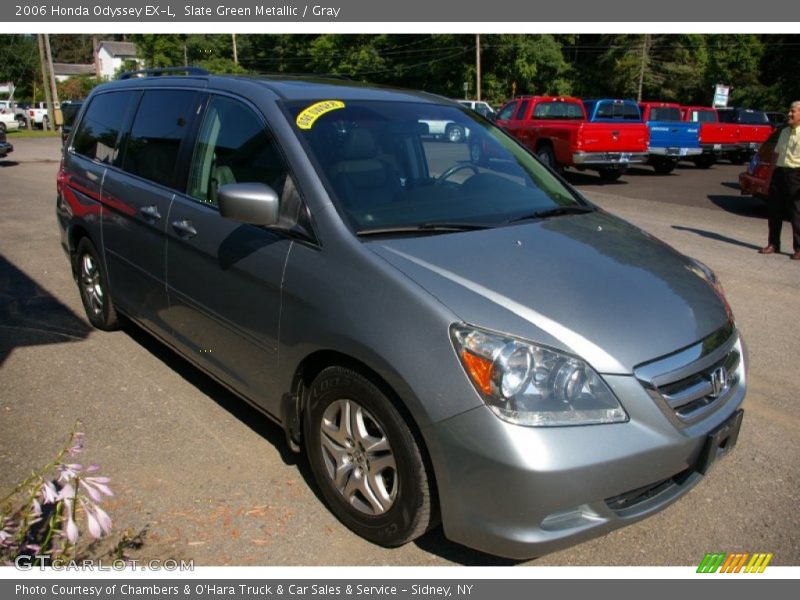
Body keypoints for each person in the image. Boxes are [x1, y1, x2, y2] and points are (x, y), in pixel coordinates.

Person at [759, 100, 800, 260]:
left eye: (793, 111)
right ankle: (773, 244)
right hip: (779, 172)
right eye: (790, 111)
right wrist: (769, 179)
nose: (789, 114)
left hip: (796, 174)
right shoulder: (784, 132)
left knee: (796, 212)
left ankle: (798, 248)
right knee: (774, 210)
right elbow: (776, 155)